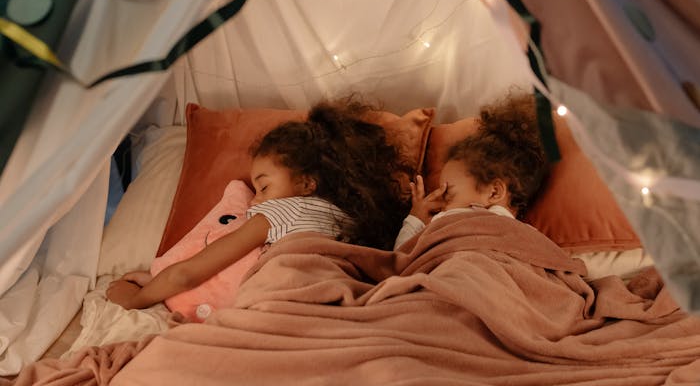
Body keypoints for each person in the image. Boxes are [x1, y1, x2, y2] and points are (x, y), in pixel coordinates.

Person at [107, 98, 411, 311]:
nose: (256, 199)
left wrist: (138, 298)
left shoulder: (278, 212)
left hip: (284, 308)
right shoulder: (350, 221)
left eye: (264, 186)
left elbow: (188, 274)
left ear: (307, 183)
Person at [395, 92, 551, 249]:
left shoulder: (513, 230)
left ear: (494, 193)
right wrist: (417, 217)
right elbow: (402, 264)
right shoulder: (529, 238)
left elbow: (400, 259)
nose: (440, 205)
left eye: (448, 194)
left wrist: (415, 220)